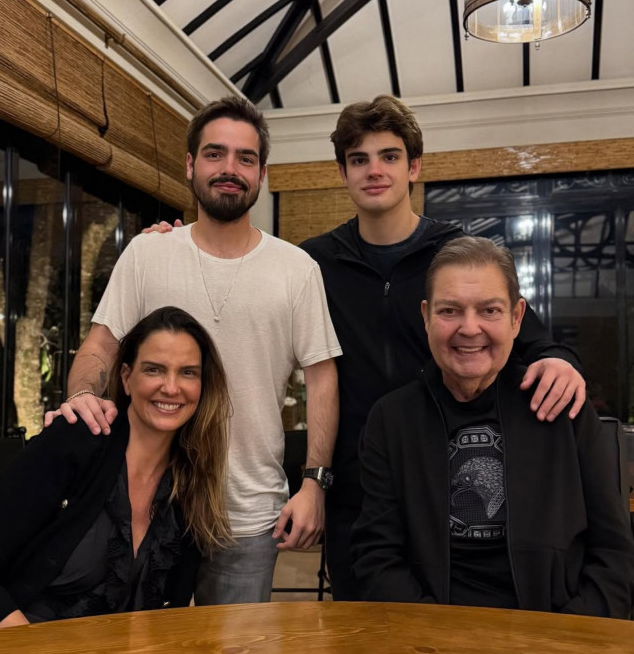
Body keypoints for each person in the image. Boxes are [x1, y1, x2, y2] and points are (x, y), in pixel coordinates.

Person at [47, 96, 340, 605]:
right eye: (214, 154)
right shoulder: (148, 252)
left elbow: (322, 379)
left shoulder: (296, 270)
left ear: (262, 174)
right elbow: (102, 345)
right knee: (134, 647)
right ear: (190, 165)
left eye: (245, 158)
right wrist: (82, 397)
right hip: (143, 502)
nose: (230, 169)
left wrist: (314, 482)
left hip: (246, 513)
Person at [300, 95, 587, 600]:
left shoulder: (455, 255)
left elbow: (526, 335)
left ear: (414, 167)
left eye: (389, 156)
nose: (374, 170)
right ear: (342, 173)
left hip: (447, 474)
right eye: (359, 159)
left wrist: (559, 360)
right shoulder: (312, 263)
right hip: (358, 488)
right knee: (367, 628)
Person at [352, 238, 634, 617]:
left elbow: (614, 554)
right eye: (450, 310)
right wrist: (433, 636)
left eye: (490, 310)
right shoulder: (391, 420)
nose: (470, 328)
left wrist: (566, 637)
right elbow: (377, 556)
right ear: (426, 317)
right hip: (430, 633)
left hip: (554, 630)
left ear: (517, 318)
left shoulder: (562, 407)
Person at [0, 307, 232, 633]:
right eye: (154, 369)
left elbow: (166, 616)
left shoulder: (191, 483)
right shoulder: (78, 440)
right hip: (6, 648)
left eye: (188, 373)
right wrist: (31, 651)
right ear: (126, 378)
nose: (171, 387)